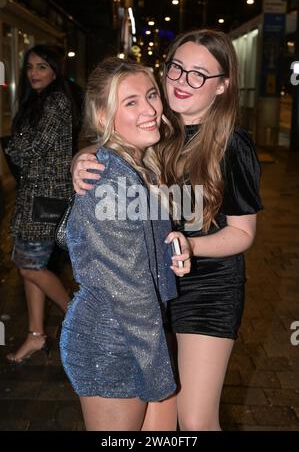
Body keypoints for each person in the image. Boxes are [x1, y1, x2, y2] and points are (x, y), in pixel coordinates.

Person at [71, 29, 263, 431]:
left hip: (207, 290)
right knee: (159, 417)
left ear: (222, 86)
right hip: (150, 288)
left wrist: (190, 246)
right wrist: (83, 157)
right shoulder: (156, 126)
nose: (180, 81)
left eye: (198, 74)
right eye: (176, 68)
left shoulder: (232, 144)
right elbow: (111, 143)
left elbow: (243, 233)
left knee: (194, 419)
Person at [60, 57, 191, 431]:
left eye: (151, 95)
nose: (150, 109)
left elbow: (135, 250)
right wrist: (158, 376)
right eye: (130, 102)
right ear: (103, 117)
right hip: (111, 341)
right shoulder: (109, 179)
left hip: (138, 333)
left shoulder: (139, 165)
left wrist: (172, 249)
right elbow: (130, 292)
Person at [4, 45, 78, 363]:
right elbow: (22, 146)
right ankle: (36, 335)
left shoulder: (57, 101)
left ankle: (78, 314)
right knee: (30, 268)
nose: (35, 73)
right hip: (33, 194)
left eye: (42, 67)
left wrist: (11, 145)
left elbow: (32, 146)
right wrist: (15, 145)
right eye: (31, 67)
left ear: (55, 71)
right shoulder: (37, 101)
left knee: (29, 265)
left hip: (47, 196)